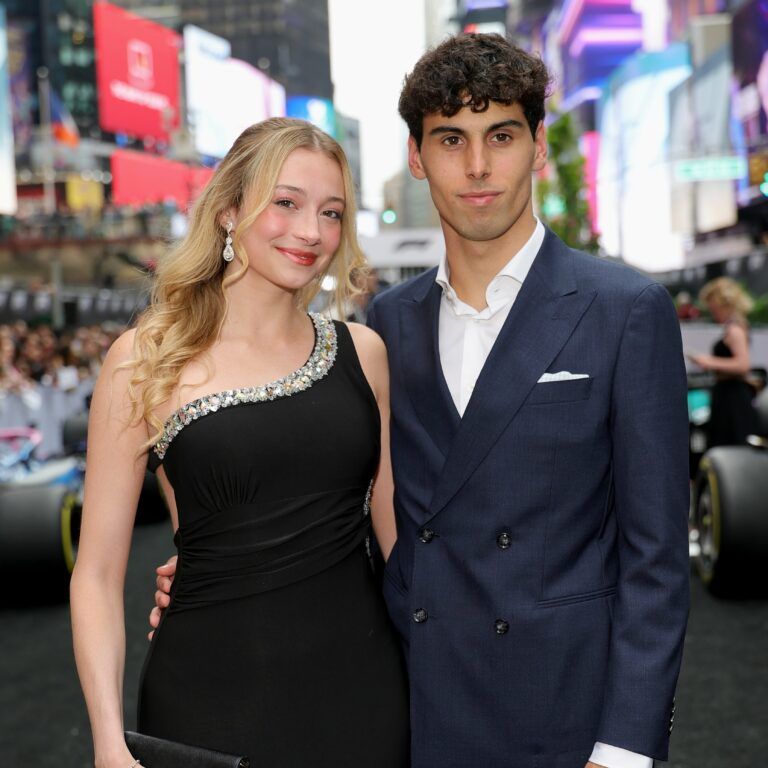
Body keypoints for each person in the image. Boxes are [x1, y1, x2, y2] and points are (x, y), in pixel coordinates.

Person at [152, 35, 690, 768]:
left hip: (565, 714)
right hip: (414, 704)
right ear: (416, 156)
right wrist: (224, 570)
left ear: (538, 147)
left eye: (501, 136)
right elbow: (349, 502)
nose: (477, 166)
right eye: (451, 139)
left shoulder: (624, 310)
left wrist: (624, 747)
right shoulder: (385, 328)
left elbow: (656, 557)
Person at [70, 117, 410, 768]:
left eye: (331, 212)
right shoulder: (145, 360)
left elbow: (397, 541)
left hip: (362, 691)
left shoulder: (364, 354)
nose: (311, 232)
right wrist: (108, 743)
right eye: (286, 203)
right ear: (229, 210)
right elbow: (98, 575)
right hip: (208, 700)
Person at [689, 276, 758, 447]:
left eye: (713, 307)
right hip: (728, 395)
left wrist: (709, 361)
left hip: (732, 399)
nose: (712, 312)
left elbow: (743, 365)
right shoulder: (734, 327)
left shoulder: (734, 329)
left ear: (723, 304)